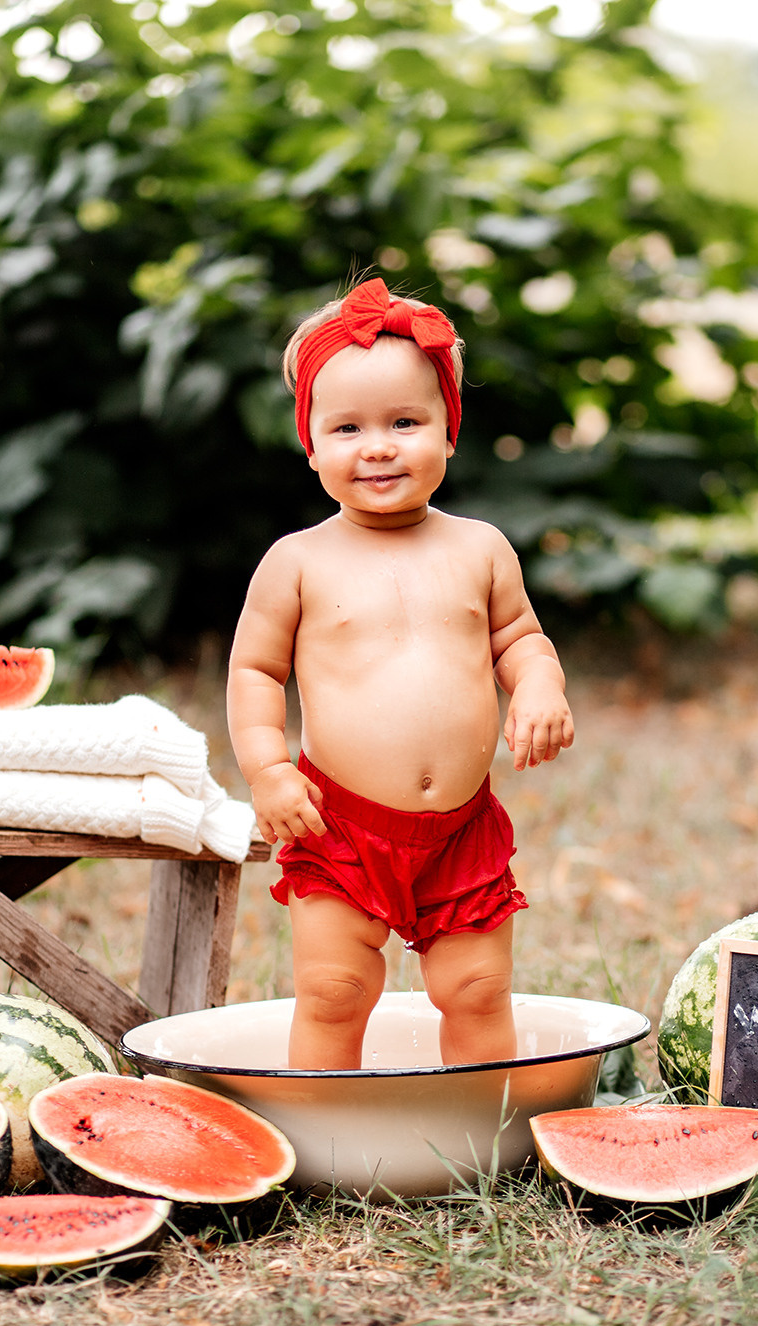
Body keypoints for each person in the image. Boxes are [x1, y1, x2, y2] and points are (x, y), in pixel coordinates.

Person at [226, 277, 574, 1070]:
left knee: (479, 987)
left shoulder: (480, 548)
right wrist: (269, 768)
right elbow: (254, 670)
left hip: (460, 828)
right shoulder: (299, 561)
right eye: (347, 427)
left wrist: (541, 685)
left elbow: (520, 638)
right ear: (310, 444)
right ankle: (321, 1125)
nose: (377, 446)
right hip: (337, 825)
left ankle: (487, 1129)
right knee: (332, 988)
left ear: (449, 433)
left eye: (405, 422)